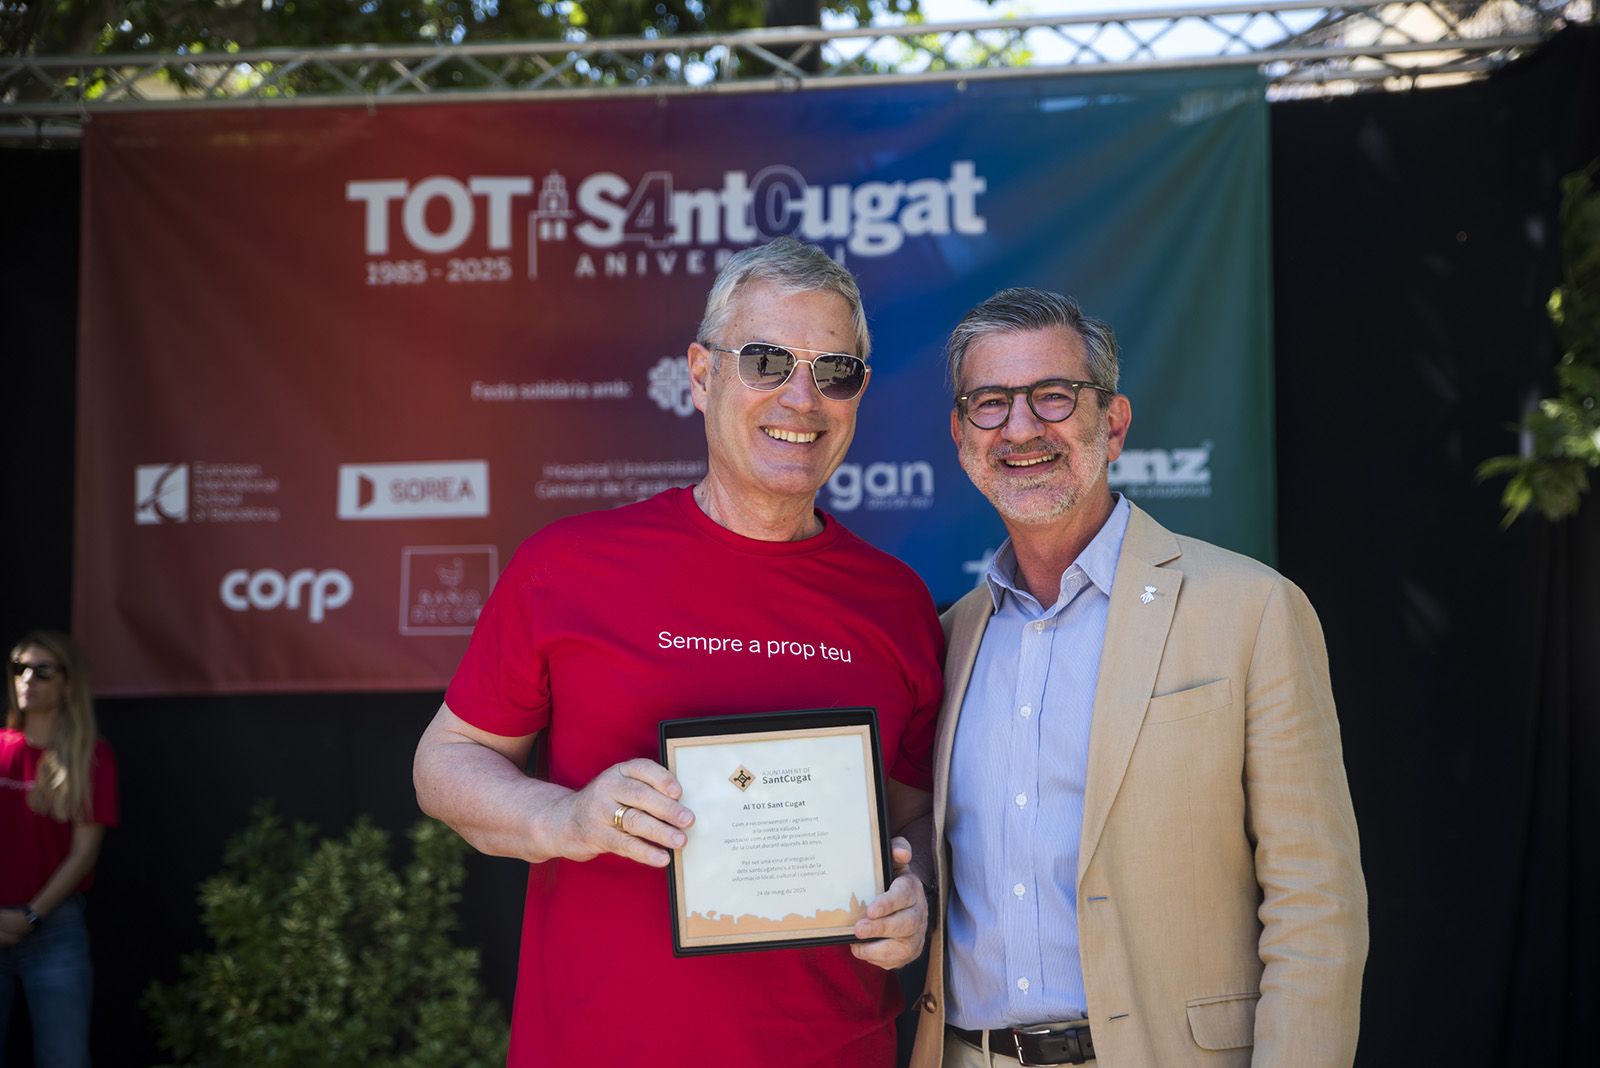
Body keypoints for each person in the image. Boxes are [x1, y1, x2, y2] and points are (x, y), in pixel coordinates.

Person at [413, 237, 943, 1067]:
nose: (801, 397)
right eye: (766, 361)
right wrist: (565, 819)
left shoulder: (898, 603)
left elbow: (914, 817)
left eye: (834, 371)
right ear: (701, 376)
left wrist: (918, 893)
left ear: (857, 394)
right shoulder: (569, 567)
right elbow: (444, 762)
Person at [909, 289, 1368, 1068]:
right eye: (990, 403)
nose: (1020, 428)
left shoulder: (1251, 609)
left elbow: (1315, 906)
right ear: (961, 437)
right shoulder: (950, 639)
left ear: (1113, 424)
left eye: (1053, 396)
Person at [1, 631, 119, 1068]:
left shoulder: (92, 756)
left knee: (64, 1058)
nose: (28, 679)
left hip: (53, 930)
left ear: (68, 685)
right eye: (20, 669)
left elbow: (84, 853)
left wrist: (32, 916)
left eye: (43, 671)